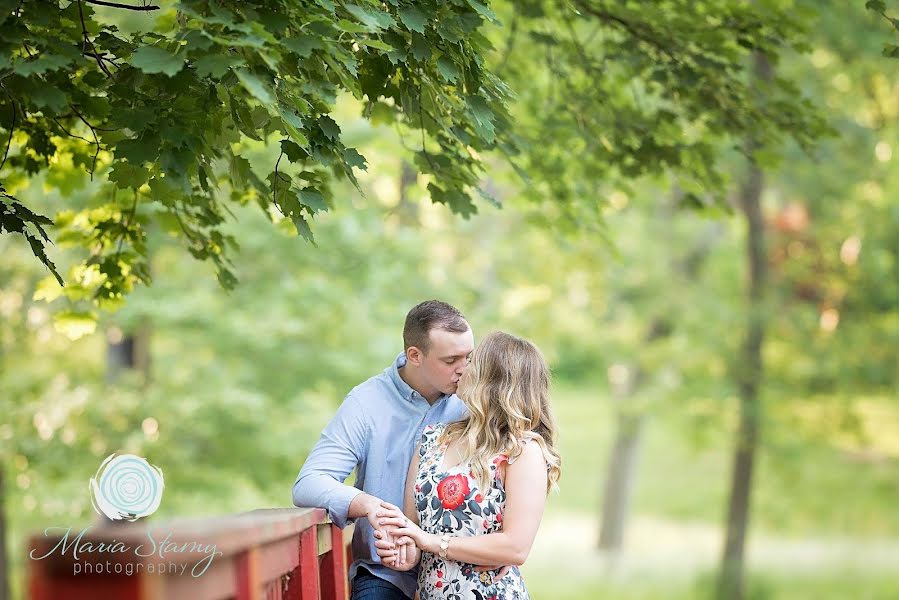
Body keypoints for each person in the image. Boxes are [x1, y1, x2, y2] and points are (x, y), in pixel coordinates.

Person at [292, 300, 474, 600]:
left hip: (461, 569)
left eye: (469, 357)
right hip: (389, 575)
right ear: (414, 355)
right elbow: (309, 482)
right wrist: (369, 505)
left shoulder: (477, 401)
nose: (464, 370)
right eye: (451, 360)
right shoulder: (366, 403)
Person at [374, 331, 562, 600]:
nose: (462, 368)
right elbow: (414, 529)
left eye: (472, 361)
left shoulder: (522, 451)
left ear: (494, 379)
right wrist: (405, 552)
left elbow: (516, 548)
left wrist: (431, 542)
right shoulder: (432, 439)